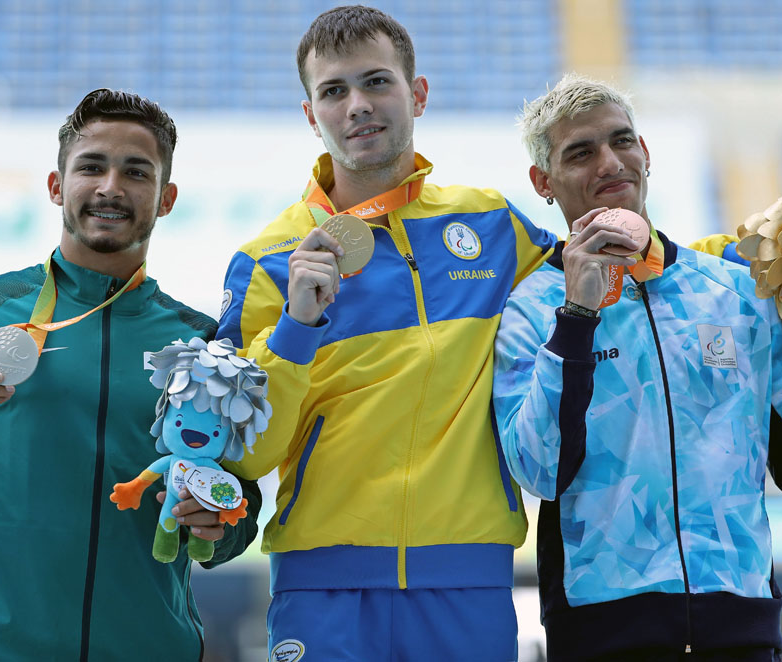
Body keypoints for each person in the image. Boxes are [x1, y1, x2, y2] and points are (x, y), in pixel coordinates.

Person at [492, 73, 782, 661]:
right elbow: (539, 469)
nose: (610, 162)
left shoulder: (738, 294)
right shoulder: (531, 311)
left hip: (739, 627)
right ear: (544, 182)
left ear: (646, 153)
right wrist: (579, 314)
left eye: (622, 141)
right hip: (601, 633)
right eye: (581, 152)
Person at [215, 5, 556, 660]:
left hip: (470, 577)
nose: (357, 106)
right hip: (323, 586)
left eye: (377, 82)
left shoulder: (490, 223)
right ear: (311, 115)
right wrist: (297, 324)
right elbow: (243, 455)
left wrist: (730, 264)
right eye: (333, 91)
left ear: (417, 94)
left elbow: (603, 269)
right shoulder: (265, 261)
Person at [0, 89, 261, 662]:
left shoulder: (201, 343)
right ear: (57, 186)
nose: (111, 186)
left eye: (136, 171)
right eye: (91, 166)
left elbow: (238, 498)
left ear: (166, 198)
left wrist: (219, 522)